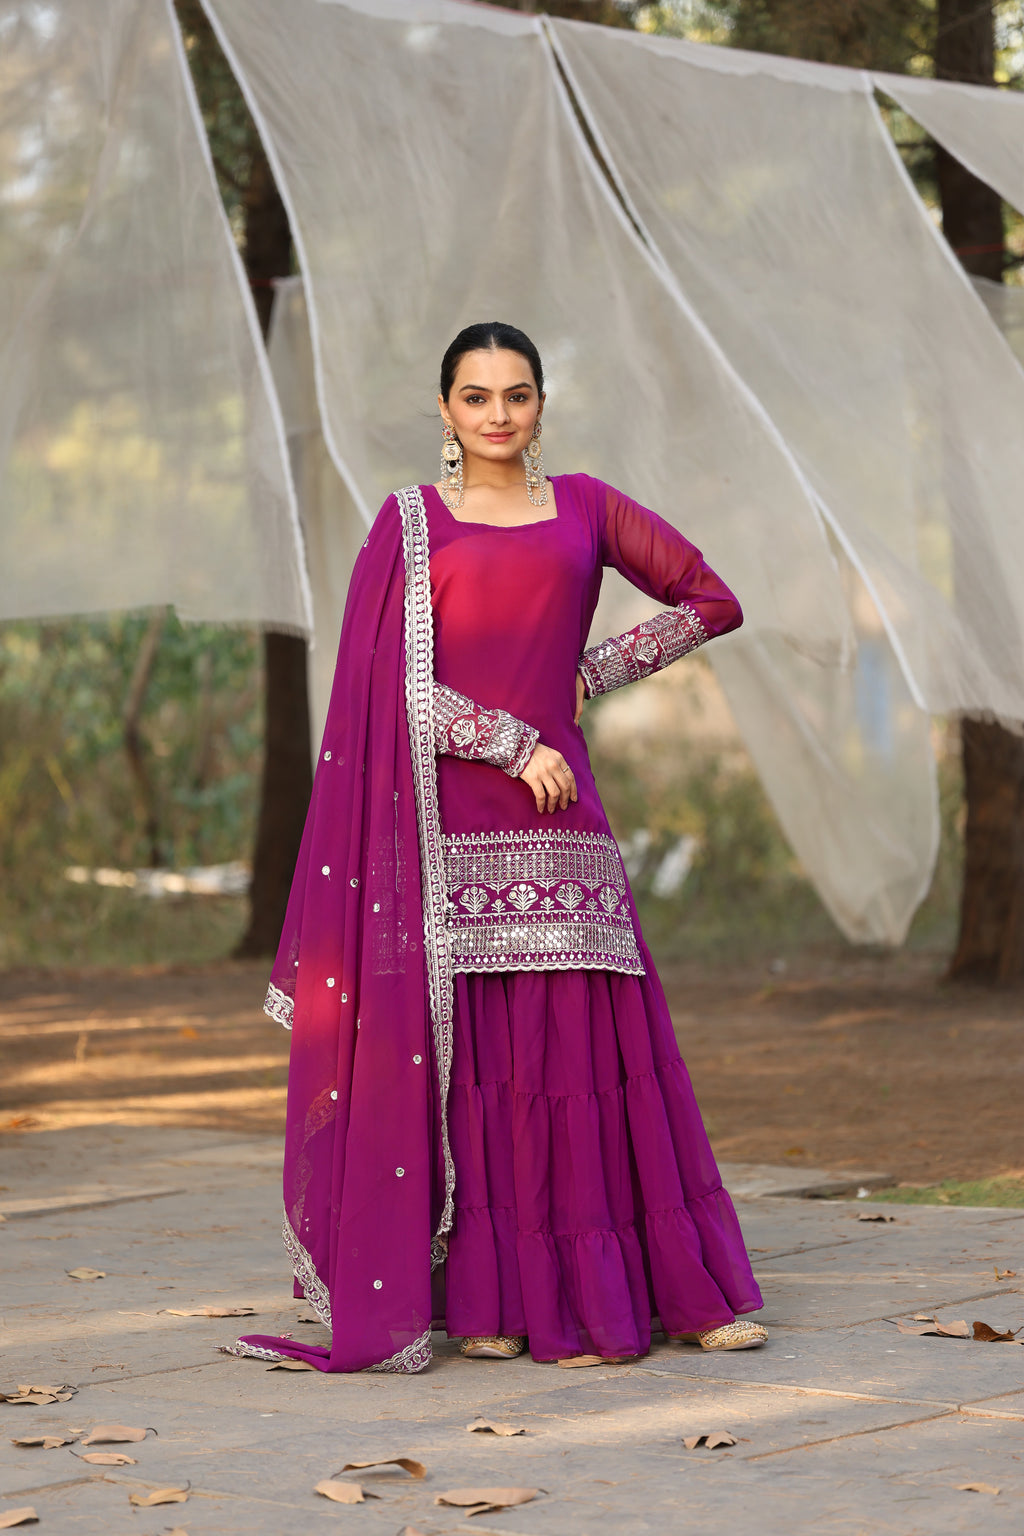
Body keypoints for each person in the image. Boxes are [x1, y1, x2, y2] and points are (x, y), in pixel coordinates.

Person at [231, 322, 765, 1373]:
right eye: (475, 398)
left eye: (516, 395)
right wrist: (512, 740)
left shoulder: (588, 507)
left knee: (593, 1054)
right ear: (445, 411)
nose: (497, 416)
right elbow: (386, 691)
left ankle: (659, 1293)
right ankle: (492, 1300)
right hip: (453, 821)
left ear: (540, 403)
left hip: (564, 820)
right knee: (481, 1065)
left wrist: (593, 673)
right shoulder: (410, 525)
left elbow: (713, 601)